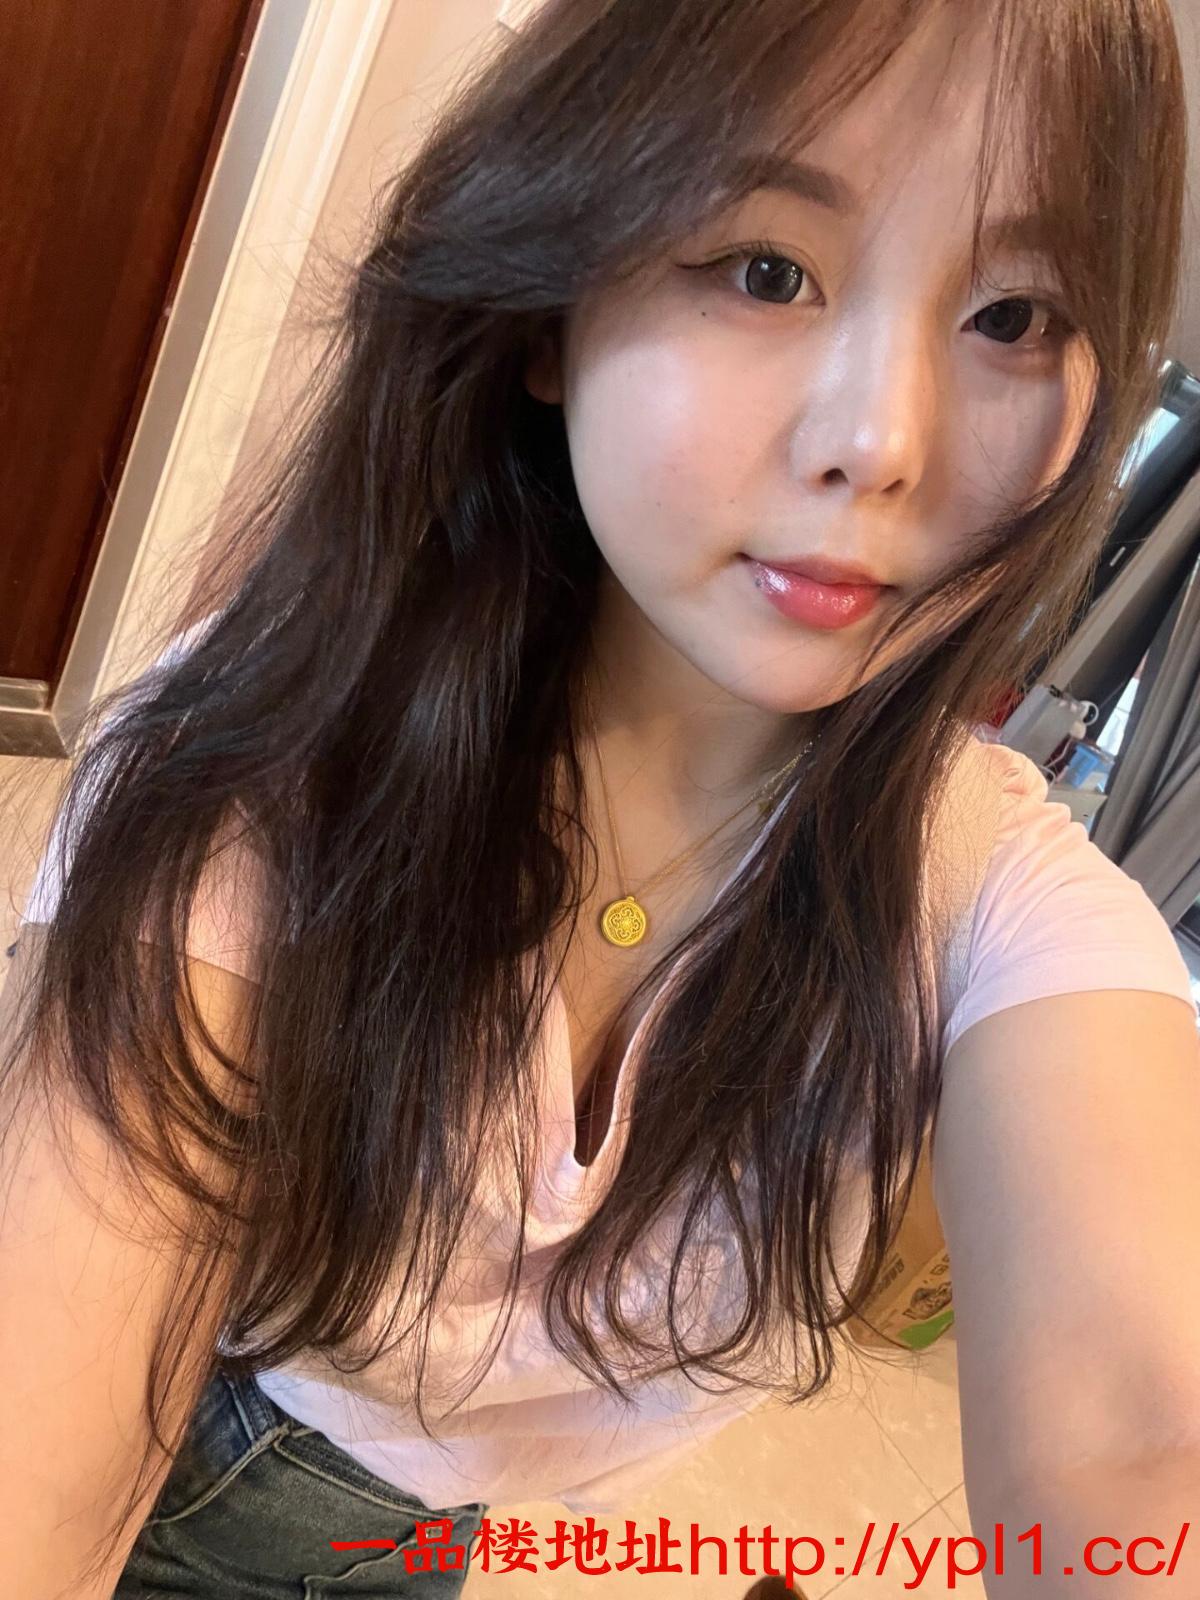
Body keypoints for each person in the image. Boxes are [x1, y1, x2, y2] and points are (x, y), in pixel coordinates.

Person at [2, 0, 1199, 1595]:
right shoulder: (276, 758)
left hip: (394, 1545)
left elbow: (1132, 1446)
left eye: (1012, 316)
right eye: (765, 269)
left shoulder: (997, 895)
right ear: (550, 306)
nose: (881, 442)